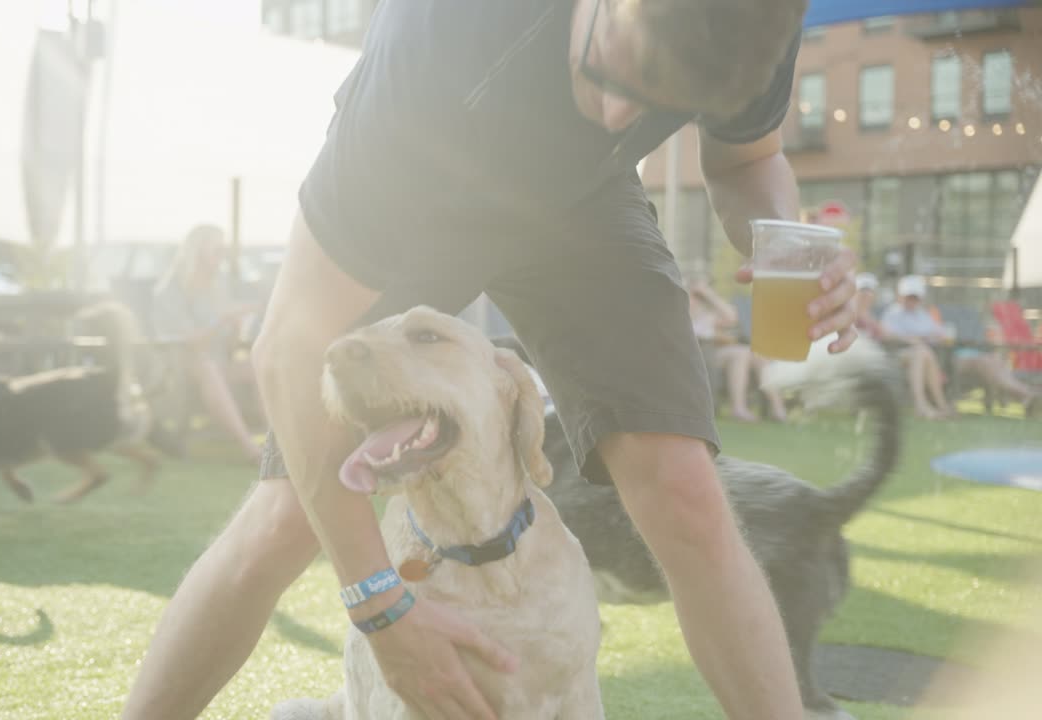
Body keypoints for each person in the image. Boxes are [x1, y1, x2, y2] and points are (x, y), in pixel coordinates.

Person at [122, 1, 859, 719]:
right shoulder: (445, 37)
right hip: (431, 179)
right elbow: (287, 346)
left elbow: (747, 160)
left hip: (584, 201)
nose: (610, 115)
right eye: (610, 74)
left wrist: (779, 240)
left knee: (687, 493)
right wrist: (378, 601)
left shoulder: (748, 27)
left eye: (653, 107)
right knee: (287, 516)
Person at [150, 224, 263, 462]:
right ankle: (250, 448)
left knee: (259, 363)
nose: (222, 256)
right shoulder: (170, 290)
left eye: (224, 251)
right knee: (207, 367)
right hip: (182, 368)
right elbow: (191, 341)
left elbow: (230, 348)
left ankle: (277, 443)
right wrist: (222, 318)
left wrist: (236, 328)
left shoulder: (217, 286)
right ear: (198, 251)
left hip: (218, 363)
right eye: (217, 250)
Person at [688, 277, 787, 422]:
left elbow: (732, 317)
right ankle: (738, 408)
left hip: (715, 353)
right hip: (699, 354)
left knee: (757, 354)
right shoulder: (684, 309)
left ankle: (778, 408)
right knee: (740, 353)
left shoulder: (707, 312)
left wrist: (708, 294)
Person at [860, 273, 955, 420]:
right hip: (893, 355)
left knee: (923, 353)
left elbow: (940, 333)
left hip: (918, 355)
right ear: (901, 296)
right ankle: (927, 405)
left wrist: (924, 339)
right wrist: (911, 340)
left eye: (915, 297)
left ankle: (936, 405)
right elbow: (886, 335)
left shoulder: (923, 315)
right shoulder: (892, 314)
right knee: (921, 352)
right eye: (909, 297)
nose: (912, 301)